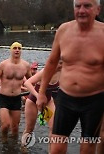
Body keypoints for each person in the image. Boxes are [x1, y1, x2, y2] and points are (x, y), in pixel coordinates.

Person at [36, 0, 104, 153]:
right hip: (66, 98)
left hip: (94, 101)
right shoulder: (64, 30)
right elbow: (52, 62)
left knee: (87, 148)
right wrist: (41, 93)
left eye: (87, 6)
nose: (81, 10)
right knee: (56, 148)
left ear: (97, 10)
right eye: (78, 6)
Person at [0, 42, 31, 141]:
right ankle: (4, 141)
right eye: (15, 48)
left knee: (15, 128)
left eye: (19, 48)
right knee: (5, 125)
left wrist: (36, 92)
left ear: (21, 50)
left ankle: (13, 146)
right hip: (3, 97)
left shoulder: (25, 65)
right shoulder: (4, 64)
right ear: (11, 50)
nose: (17, 50)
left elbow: (31, 80)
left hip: (16, 98)